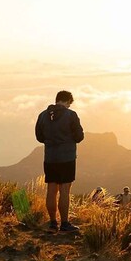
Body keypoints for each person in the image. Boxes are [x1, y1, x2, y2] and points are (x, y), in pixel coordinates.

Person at [35, 90, 84, 233]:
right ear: (68, 101)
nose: (69, 106)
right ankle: (64, 224)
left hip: (50, 158)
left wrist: (51, 142)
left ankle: (52, 223)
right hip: (66, 158)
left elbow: (39, 137)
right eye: (69, 104)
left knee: (51, 190)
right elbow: (79, 137)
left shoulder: (43, 115)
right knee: (64, 191)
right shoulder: (71, 115)